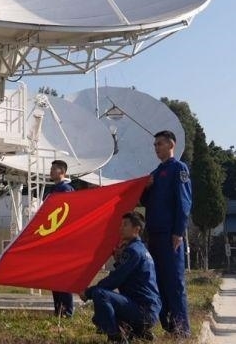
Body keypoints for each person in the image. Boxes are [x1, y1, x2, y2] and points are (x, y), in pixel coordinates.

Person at [140, 130, 192, 337]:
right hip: (154, 234)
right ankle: (168, 326)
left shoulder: (179, 168)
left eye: (160, 144)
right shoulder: (155, 173)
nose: (156, 148)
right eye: (155, 145)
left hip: (170, 235)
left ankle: (182, 330)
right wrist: (145, 188)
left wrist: (178, 232)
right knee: (159, 282)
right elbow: (145, 202)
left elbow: (184, 202)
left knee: (174, 282)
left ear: (171, 145)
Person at [81, 212, 161, 343]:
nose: (120, 228)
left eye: (125, 225)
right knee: (99, 316)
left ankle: (116, 337)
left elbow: (115, 280)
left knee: (100, 295)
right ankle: (139, 332)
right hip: (149, 309)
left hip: (143, 310)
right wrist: (119, 260)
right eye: (121, 225)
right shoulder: (141, 249)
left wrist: (88, 292)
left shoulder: (133, 251)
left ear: (136, 229)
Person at [45, 159, 75, 318]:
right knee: (54, 275)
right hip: (52, 237)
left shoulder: (66, 189)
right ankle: (58, 309)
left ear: (62, 172)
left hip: (62, 239)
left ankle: (67, 310)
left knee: (62, 275)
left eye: (54, 169)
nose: (51, 171)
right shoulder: (53, 189)